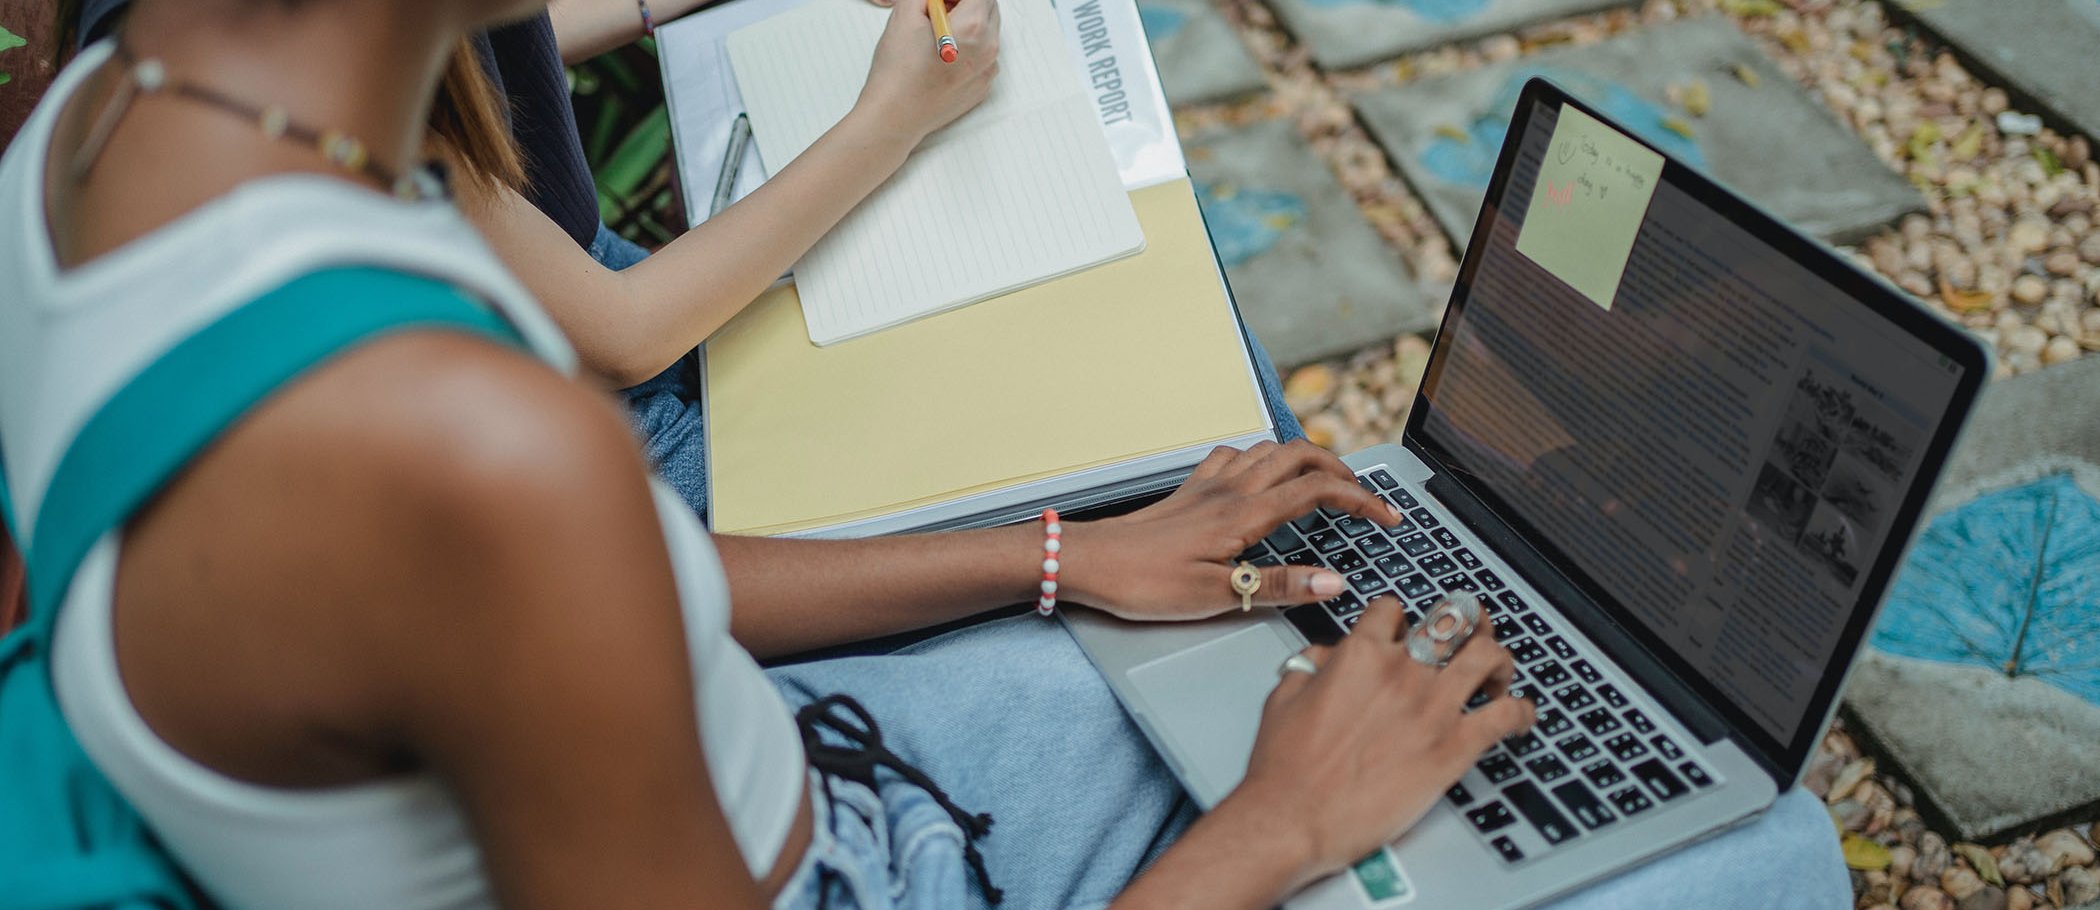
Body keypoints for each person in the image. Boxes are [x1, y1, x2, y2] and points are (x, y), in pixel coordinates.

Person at [4, 1, 1851, 908]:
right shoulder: (479, 457)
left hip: (814, 769)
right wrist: (1276, 834)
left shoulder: (99, 128)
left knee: (1260, 571)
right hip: (867, 868)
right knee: (1770, 847)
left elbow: (611, 592)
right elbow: (539, 546)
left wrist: (1059, 553)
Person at [65, 0, 1307, 521]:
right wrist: (889, 120)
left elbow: (506, 29)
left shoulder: (264, 32)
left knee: (1177, 320)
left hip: (593, 360)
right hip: (627, 432)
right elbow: (619, 334)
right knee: (1178, 387)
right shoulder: (306, 123)